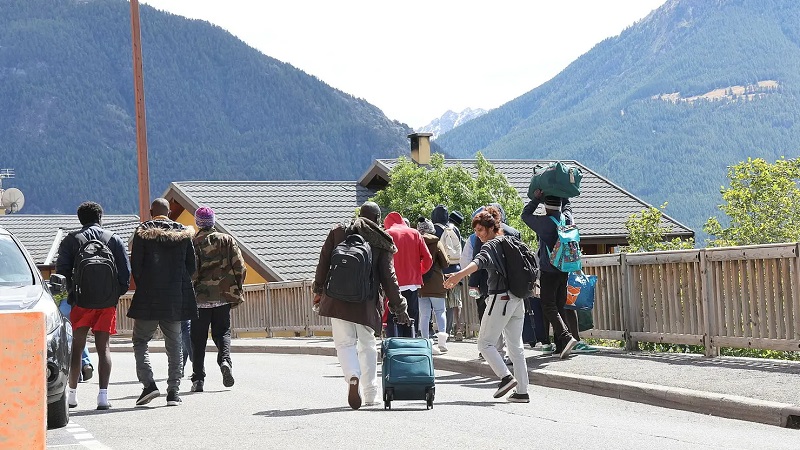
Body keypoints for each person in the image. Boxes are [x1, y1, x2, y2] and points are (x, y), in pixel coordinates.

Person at [313, 201, 410, 409]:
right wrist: (399, 306)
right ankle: (370, 393)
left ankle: (352, 377)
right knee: (367, 345)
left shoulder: (338, 231)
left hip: (337, 299)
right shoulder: (382, 240)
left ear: (360, 214)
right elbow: (389, 278)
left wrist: (318, 289)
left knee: (344, 344)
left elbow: (323, 262)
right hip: (366, 302)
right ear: (377, 219)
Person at [444, 206, 529, 403]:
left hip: (500, 297)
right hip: (517, 299)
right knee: (516, 347)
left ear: (490, 228)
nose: (478, 235)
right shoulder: (511, 239)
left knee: (484, 343)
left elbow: (478, 263)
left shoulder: (491, 245)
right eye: (475, 231)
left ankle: (506, 378)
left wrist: (457, 276)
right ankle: (522, 391)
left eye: (480, 230)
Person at [56, 201, 131, 410]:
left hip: (81, 301)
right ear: (100, 217)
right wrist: (113, 295)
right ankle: (103, 397)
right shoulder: (113, 239)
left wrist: (72, 295)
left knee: (77, 347)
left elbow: (61, 272)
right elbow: (125, 274)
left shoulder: (71, 240)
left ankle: (71, 395)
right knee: (103, 347)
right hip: (107, 302)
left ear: (80, 219)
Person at [128, 198, 197, 407]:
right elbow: (191, 267)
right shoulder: (183, 234)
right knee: (174, 344)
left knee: (141, 341)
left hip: (148, 297)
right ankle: (173, 392)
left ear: (151, 212)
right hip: (174, 298)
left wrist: (145, 285)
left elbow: (136, 267)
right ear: (169, 213)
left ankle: (149, 385)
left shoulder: (142, 233)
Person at [190, 206, 246, 392]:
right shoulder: (227, 240)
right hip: (223, 296)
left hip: (199, 299)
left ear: (198, 223)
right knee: (222, 333)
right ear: (213, 221)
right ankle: (225, 361)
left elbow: (191, 272)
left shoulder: (193, 243)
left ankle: (198, 379)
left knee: (198, 339)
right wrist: (236, 288)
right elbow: (240, 267)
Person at [520, 191, 578, 359]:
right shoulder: (567, 217)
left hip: (549, 269)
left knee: (548, 305)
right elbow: (568, 206)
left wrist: (536, 198)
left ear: (546, 207)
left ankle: (566, 337)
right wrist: (563, 191)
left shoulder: (544, 222)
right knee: (559, 305)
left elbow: (525, 215)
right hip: (565, 268)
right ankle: (561, 346)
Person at [383, 211, 432, 337]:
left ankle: (395, 348)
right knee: (411, 318)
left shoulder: (387, 234)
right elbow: (428, 259)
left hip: (392, 284)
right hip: (412, 283)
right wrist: (418, 272)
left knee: (393, 319)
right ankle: (410, 346)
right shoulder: (415, 233)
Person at [417, 218, 449, 354]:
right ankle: (442, 342)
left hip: (421, 282)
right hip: (436, 281)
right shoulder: (436, 242)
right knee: (440, 311)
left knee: (424, 314)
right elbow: (446, 262)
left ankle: (425, 341)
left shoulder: (416, 242)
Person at [432, 206, 465, 340]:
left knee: (444, 303)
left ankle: (445, 331)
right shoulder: (454, 229)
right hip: (456, 269)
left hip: (442, 270)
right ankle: (459, 329)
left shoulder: (435, 229)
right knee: (457, 301)